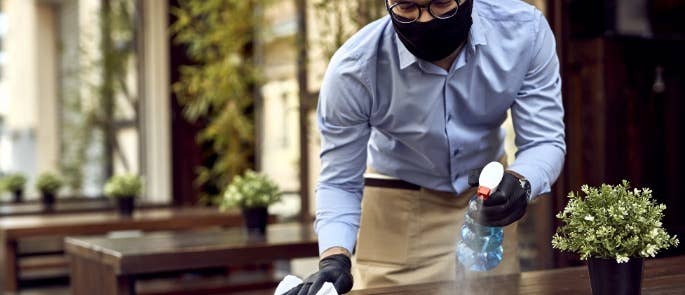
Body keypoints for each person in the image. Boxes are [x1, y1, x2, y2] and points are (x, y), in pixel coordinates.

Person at [284, 0, 565, 294]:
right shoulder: (355, 69)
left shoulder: (524, 32)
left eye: (441, 3)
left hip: (487, 209)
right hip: (397, 214)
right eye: (407, 7)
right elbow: (339, 181)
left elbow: (544, 140)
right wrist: (334, 259)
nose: (425, 20)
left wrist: (520, 182)